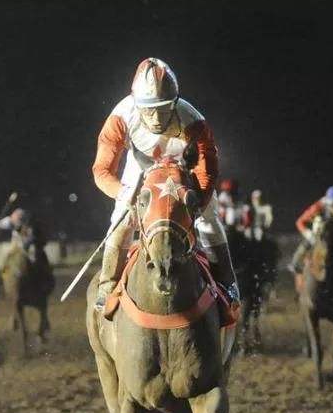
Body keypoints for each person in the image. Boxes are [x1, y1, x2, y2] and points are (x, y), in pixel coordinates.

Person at [90, 57, 239, 311]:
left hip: (183, 165)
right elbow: (101, 171)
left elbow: (207, 173)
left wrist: (198, 207)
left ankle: (228, 283)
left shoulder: (194, 121)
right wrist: (124, 193)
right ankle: (107, 284)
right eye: (149, 110)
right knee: (122, 218)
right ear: (135, 102)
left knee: (209, 219)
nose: (157, 117)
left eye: (164, 108)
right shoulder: (119, 119)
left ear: (175, 102)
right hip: (141, 165)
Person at [287, 185, 333, 274]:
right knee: (310, 240)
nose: (332, 207)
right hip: (317, 233)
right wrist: (307, 232)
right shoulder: (317, 207)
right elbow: (299, 222)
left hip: (330, 232)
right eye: (331, 204)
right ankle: (294, 262)